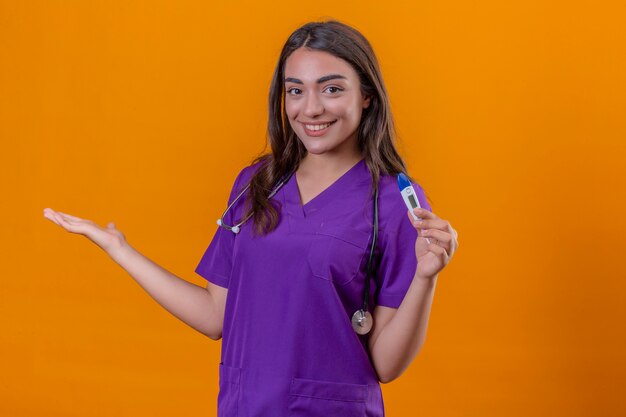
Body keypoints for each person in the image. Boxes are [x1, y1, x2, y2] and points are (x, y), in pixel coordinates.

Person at [44, 19, 458, 417]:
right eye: (295, 91)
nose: (311, 109)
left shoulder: (392, 200)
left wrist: (426, 279)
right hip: (245, 406)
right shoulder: (257, 183)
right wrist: (121, 251)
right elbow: (213, 315)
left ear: (366, 95)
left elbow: (387, 365)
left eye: (331, 89)